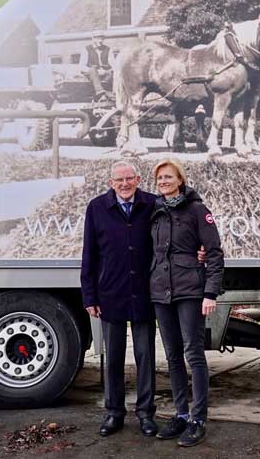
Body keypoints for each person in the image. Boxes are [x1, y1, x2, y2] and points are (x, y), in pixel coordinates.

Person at [80, 161, 159, 438]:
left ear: (138, 179)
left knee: (145, 357)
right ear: (110, 182)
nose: (124, 184)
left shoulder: (153, 204)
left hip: (145, 295)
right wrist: (89, 295)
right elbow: (89, 254)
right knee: (112, 359)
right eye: (119, 180)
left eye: (129, 179)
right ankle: (114, 413)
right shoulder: (97, 207)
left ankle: (146, 414)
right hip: (110, 294)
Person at [149, 158, 224, 447]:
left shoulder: (197, 210)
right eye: (160, 178)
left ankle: (198, 419)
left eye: (169, 177)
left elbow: (214, 252)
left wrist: (210, 292)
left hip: (190, 291)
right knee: (172, 356)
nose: (164, 182)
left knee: (194, 354)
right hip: (161, 293)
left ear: (180, 180)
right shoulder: (155, 212)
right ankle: (180, 415)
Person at [80, 30, 113, 100]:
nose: (100, 41)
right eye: (98, 38)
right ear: (93, 39)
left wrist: (107, 71)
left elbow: (113, 64)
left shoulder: (108, 49)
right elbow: (82, 66)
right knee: (92, 70)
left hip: (105, 73)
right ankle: (100, 93)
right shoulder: (87, 49)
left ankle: (114, 93)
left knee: (115, 72)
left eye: (102, 39)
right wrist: (97, 71)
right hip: (91, 74)